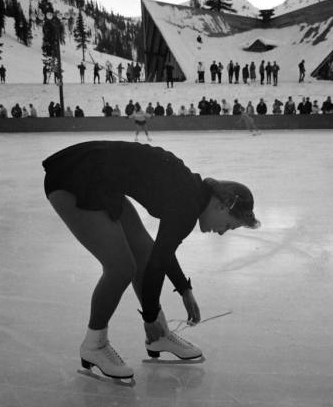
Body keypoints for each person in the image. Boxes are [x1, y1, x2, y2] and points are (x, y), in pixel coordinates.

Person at [42, 141, 259, 379]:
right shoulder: (186, 203)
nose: (221, 232)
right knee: (120, 268)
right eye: (228, 225)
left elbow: (161, 253)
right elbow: (160, 261)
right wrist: (149, 316)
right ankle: (94, 345)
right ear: (220, 206)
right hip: (72, 177)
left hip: (100, 180)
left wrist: (184, 289)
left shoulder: (191, 195)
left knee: (143, 253)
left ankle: (159, 336)